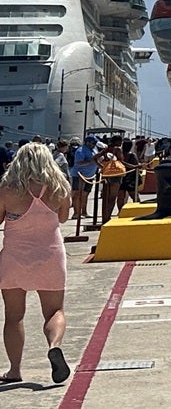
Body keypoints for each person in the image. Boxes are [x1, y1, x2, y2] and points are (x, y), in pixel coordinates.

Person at [0, 141, 72, 384]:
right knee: (54, 311)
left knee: (14, 316)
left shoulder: (6, 189)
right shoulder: (60, 187)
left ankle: (14, 370)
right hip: (51, 256)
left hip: (14, 258)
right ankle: (54, 346)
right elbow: (63, 218)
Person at [67, 138, 96, 223]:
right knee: (77, 194)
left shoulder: (93, 150)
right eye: (92, 143)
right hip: (79, 175)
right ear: (87, 142)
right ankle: (76, 213)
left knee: (85, 194)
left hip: (89, 176)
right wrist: (90, 161)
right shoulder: (81, 151)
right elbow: (79, 163)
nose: (94, 144)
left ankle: (84, 212)